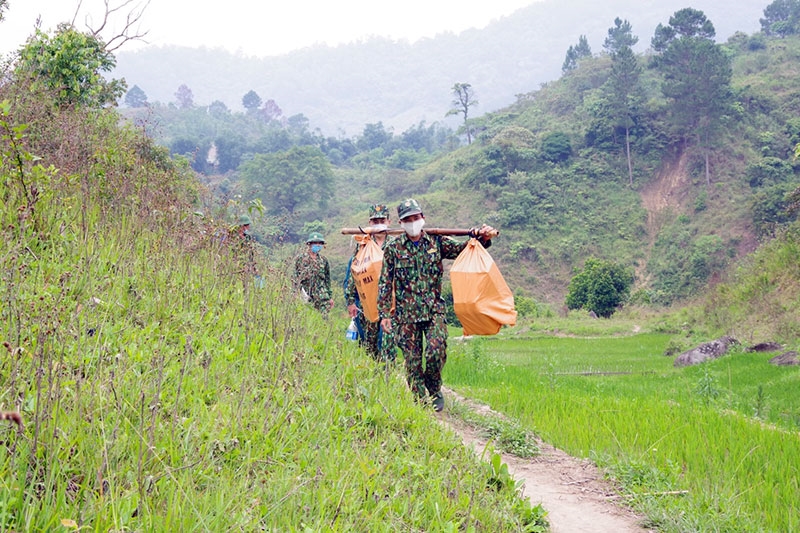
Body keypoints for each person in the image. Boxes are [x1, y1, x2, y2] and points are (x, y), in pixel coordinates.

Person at [377, 198, 496, 412]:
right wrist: (385, 313)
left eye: (415, 217)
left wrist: (483, 238)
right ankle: (420, 403)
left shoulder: (437, 242)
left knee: (436, 350)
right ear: (401, 223)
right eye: (407, 219)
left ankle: (433, 389)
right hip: (406, 316)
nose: (412, 222)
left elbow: (465, 250)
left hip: (434, 310)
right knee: (412, 364)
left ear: (422, 218)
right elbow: (385, 281)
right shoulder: (393, 249)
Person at [345, 204, 397, 362]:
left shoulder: (396, 244)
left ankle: (388, 373)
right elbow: (355, 271)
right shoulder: (363, 244)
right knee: (369, 343)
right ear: (370, 222)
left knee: (387, 339)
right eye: (375, 221)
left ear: (388, 221)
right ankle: (372, 374)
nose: (378, 223)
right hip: (367, 301)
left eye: (382, 220)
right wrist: (350, 301)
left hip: (390, 302)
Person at [294, 232, 335, 314]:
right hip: (306, 295)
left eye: (320, 243)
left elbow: (327, 280)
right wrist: (295, 293)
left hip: (322, 296)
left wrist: (330, 297)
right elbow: (296, 277)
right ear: (309, 244)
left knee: (324, 319)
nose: (318, 245)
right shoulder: (301, 259)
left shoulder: (323, 260)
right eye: (315, 243)